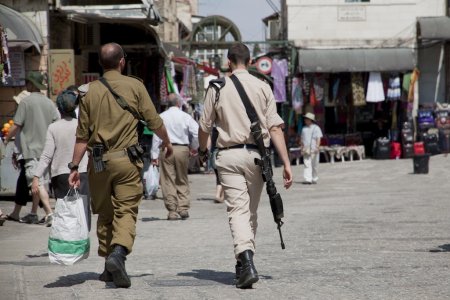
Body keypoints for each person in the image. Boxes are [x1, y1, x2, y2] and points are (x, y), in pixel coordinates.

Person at [68, 42, 172, 289]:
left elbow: (82, 135)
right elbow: (153, 120)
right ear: (122, 61)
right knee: (126, 210)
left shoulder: (88, 92)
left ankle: (107, 266)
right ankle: (118, 254)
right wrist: (166, 141)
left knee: (105, 213)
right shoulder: (135, 86)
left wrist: (74, 167)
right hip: (126, 161)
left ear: (100, 64)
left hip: (99, 162)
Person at [198, 42, 293, 289]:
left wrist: (200, 149)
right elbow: (274, 128)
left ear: (228, 62)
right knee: (249, 212)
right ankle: (243, 263)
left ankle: (246, 261)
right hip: (257, 157)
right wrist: (286, 163)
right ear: (250, 62)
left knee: (238, 211)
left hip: (228, 157)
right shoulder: (263, 86)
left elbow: (204, 126)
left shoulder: (216, 87)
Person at [3, 71, 59, 224]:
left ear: (32, 85)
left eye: (28, 82)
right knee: (39, 182)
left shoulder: (25, 102)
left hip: (31, 150)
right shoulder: (50, 103)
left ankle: (49, 212)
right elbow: (57, 122)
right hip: (47, 150)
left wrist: (6, 139)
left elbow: (16, 125)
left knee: (37, 183)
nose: (27, 84)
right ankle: (33, 213)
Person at [32, 90, 90, 228]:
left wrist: (36, 177)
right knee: (83, 213)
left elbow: (47, 155)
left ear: (59, 109)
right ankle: (82, 243)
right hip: (82, 174)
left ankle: (67, 244)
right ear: (75, 107)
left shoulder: (53, 127)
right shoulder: (83, 125)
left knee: (65, 215)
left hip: (61, 177)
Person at [151, 93, 199, 220]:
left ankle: (172, 210)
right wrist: (194, 147)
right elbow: (196, 132)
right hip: (182, 149)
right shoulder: (186, 116)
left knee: (167, 179)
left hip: (166, 148)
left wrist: (154, 154)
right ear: (179, 103)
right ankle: (183, 208)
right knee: (182, 178)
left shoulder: (161, 116)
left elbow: (157, 136)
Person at [300, 112, 323, 184]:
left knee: (314, 165)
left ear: (310, 120)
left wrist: (317, 146)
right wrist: (301, 147)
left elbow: (318, 138)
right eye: (305, 119)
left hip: (314, 149)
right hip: (306, 149)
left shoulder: (316, 128)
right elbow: (302, 138)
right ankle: (308, 179)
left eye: (306, 119)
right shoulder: (304, 129)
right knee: (307, 164)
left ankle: (314, 178)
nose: (305, 120)